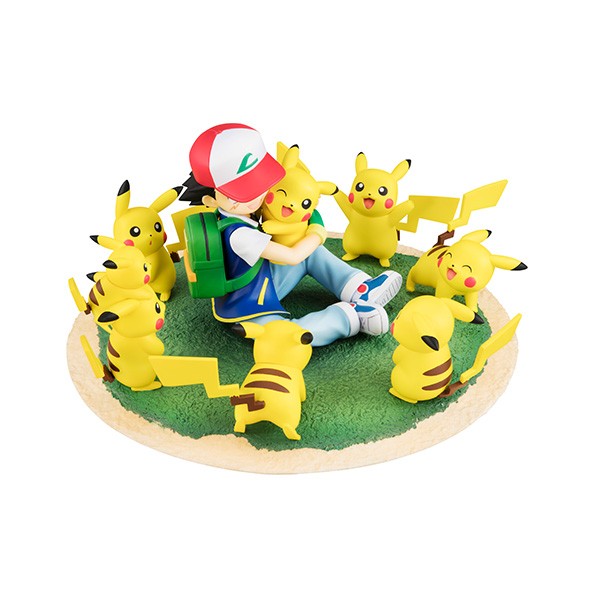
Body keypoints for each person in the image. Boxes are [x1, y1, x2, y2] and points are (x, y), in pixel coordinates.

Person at [186, 123, 402, 346]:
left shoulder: (239, 213)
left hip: (263, 280)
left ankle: (359, 288)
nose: (255, 196)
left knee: (311, 253)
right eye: (239, 194)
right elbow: (292, 256)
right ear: (210, 200)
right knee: (286, 336)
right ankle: (348, 317)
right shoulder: (240, 235)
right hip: (247, 305)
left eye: (258, 183)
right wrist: (317, 232)